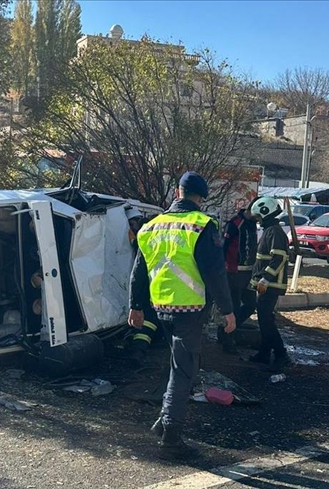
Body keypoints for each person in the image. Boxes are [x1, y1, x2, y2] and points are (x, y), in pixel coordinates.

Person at [129, 171, 235, 460]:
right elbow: (215, 273)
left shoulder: (152, 226)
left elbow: (138, 271)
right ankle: (171, 437)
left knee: (180, 366)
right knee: (184, 370)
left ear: (178, 192)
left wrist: (135, 306)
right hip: (190, 309)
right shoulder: (202, 225)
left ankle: (163, 425)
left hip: (160, 307)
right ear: (201, 198)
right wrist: (228, 311)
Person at [247, 196, 292, 371]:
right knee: (264, 320)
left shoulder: (274, 232)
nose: (257, 220)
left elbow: (279, 258)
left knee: (267, 322)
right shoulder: (271, 230)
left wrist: (266, 279)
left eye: (258, 216)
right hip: (266, 285)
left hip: (270, 286)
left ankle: (281, 354)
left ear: (266, 213)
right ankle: (264, 353)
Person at [124, 207, 163, 366]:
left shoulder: (145, 238)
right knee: (151, 320)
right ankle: (139, 349)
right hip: (156, 285)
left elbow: (137, 249)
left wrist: (133, 240)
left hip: (147, 284)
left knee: (148, 320)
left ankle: (138, 349)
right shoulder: (161, 238)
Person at [220, 205, 259, 354]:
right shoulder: (235, 223)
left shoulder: (252, 224)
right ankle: (228, 342)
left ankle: (227, 330)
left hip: (248, 272)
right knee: (234, 308)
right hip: (233, 272)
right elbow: (224, 246)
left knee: (250, 305)